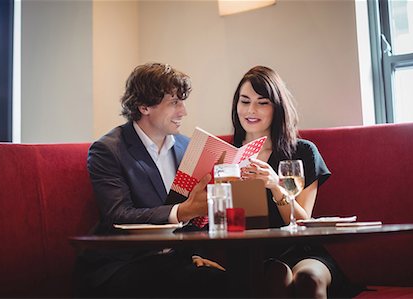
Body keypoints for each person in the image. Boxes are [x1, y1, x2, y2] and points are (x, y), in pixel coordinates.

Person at [74, 62, 227, 298]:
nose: (183, 112)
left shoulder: (188, 147)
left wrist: (194, 253)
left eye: (182, 102)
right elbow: (119, 214)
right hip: (123, 262)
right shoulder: (109, 150)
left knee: (223, 281)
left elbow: (195, 218)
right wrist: (182, 211)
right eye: (174, 102)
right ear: (144, 106)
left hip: (174, 260)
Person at [231, 66, 357, 298]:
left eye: (262, 102)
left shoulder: (302, 152)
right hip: (251, 254)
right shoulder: (226, 155)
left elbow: (302, 222)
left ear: (276, 107)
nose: (251, 110)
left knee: (308, 278)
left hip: (301, 250)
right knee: (274, 275)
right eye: (244, 101)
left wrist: (275, 187)